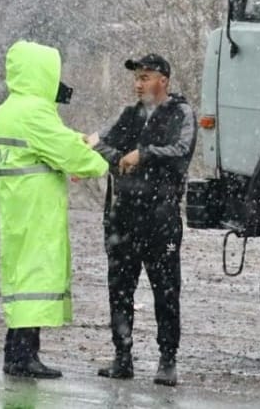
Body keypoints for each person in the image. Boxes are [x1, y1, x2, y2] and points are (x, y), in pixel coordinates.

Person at [0, 40, 109, 378]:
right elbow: (63, 150)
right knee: (35, 276)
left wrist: (78, 140)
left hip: (18, 205)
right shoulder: (34, 112)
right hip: (36, 209)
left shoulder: (11, 108)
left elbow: (54, 139)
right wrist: (102, 161)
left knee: (22, 278)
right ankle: (24, 356)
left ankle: (16, 352)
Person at [92, 53, 196, 387]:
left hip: (161, 221)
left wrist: (145, 153)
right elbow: (99, 144)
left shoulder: (180, 113)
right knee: (120, 288)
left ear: (163, 80)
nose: (139, 84)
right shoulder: (128, 114)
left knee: (166, 289)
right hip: (123, 218)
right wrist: (119, 159)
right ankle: (122, 356)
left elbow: (181, 150)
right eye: (136, 78)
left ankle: (168, 359)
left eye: (145, 77)